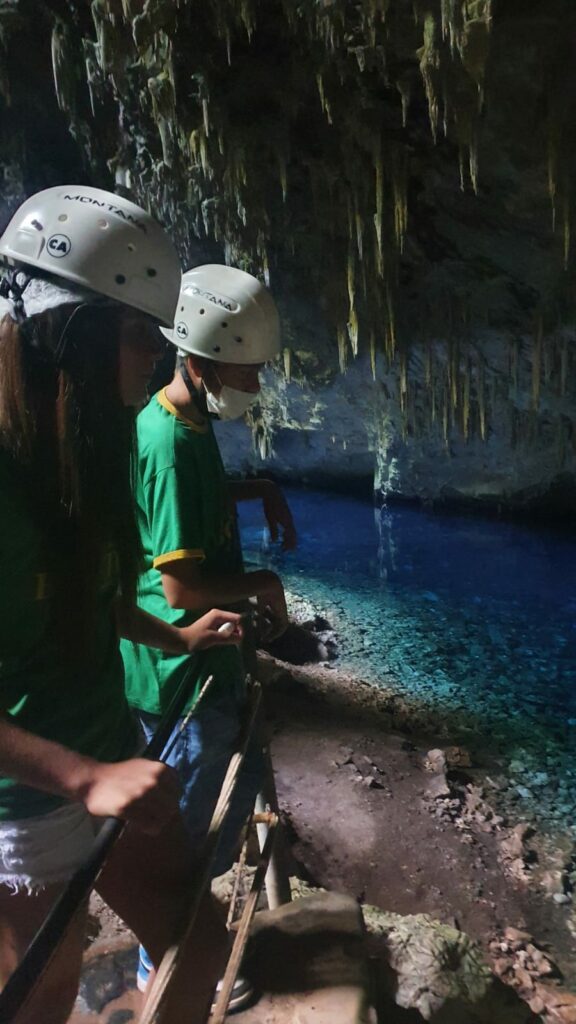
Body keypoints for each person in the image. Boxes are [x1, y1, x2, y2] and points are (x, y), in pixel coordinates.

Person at [0, 187, 241, 1024]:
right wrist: (84, 778)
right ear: (73, 332)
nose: (158, 358)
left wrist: (174, 636)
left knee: (198, 941)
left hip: (105, 751)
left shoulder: (85, 444)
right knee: (44, 998)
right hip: (26, 800)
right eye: (143, 335)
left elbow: (98, 596)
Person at [120, 264, 296, 996]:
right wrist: (265, 582)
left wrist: (259, 488)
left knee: (240, 783)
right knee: (190, 822)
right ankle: (166, 964)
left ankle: (192, 934)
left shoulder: (187, 423)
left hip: (209, 654)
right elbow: (178, 585)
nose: (252, 386)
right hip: (180, 666)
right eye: (244, 371)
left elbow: (189, 507)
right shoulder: (166, 439)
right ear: (197, 359)